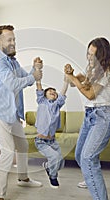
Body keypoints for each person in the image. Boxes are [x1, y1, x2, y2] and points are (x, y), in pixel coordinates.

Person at [0, 25, 43, 200]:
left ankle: (23, 178)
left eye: (14, 39)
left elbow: (27, 79)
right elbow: (13, 84)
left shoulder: (13, 62)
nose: (13, 43)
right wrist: (34, 76)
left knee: (23, 147)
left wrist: (35, 68)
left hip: (12, 113)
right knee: (8, 151)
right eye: (9, 40)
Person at [65, 37, 110, 200]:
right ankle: (91, 177)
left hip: (102, 117)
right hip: (89, 116)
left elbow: (89, 93)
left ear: (102, 56)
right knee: (80, 155)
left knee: (88, 159)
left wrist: (72, 78)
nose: (89, 57)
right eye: (88, 53)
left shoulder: (106, 71)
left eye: (93, 55)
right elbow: (78, 83)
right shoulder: (91, 68)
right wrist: (71, 74)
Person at [33, 57, 69, 189]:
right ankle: (53, 176)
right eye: (50, 92)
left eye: (54, 92)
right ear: (45, 95)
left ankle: (48, 167)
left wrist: (66, 78)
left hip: (52, 141)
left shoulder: (57, 105)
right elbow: (39, 85)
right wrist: (37, 68)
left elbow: (63, 92)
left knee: (60, 162)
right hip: (41, 141)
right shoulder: (41, 102)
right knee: (55, 158)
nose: (53, 92)